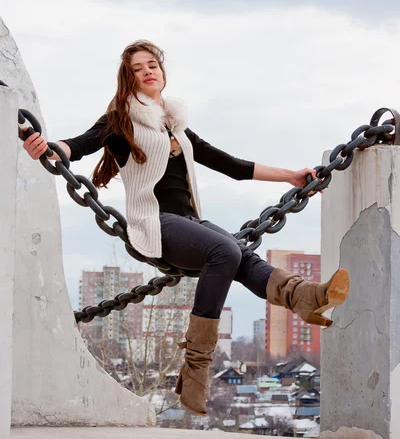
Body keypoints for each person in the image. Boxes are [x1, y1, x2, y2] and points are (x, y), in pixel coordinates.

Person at [23, 40, 350, 416]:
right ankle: (196, 369)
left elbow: (232, 165)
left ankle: (307, 298)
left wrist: (290, 176)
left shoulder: (175, 128)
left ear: (162, 72)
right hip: (154, 224)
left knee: (242, 257)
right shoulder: (121, 119)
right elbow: (80, 144)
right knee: (225, 250)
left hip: (190, 224)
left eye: (152, 65)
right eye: (137, 68)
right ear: (128, 79)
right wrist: (51, 149)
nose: (147, 71)